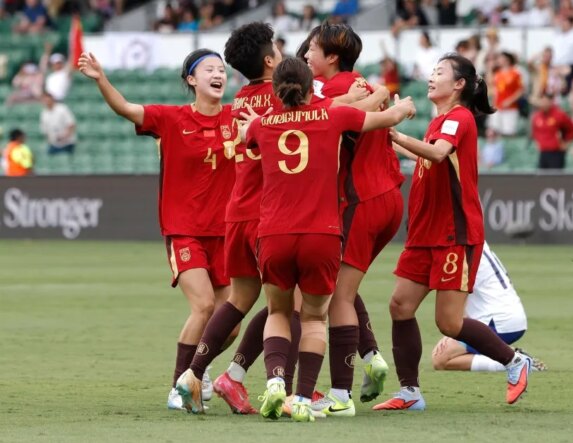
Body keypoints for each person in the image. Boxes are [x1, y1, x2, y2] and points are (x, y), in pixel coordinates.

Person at [250, 57, 415, 422]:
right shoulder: (331, 116)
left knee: (278, 312)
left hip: (274, 232)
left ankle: (276, 383)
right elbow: (382, 119)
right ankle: (305, 399)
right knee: (313, 319)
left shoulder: (262, 124)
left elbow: (250, 140)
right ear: (312, 89)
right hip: (321, 234)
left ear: (276, 92)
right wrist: (401, 106)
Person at [78, 48, 238, 410]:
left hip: (227, 233)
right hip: (184, 230)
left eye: (222, 69)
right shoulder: (170, 118)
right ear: (191, 80)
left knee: (229, 326)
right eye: (209, 69)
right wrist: (102, 78)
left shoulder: (238, 117)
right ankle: (178, 386)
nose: (218, 74)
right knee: (204, 306)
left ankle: (201, 366)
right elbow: (125, 108)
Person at [374, 54, 536, 412]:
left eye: (439, 72)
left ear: (459, 84)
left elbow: (435, 153)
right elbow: (425, 156)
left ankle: (514, 362)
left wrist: (394, 130)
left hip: (453, 234)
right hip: (424, 234)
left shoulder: (459, 118)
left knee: (448, 322)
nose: (431, 77)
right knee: (400, 306)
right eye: (431, 71)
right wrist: (385, 134)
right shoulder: (440, 121)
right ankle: (410, 392)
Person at [174, 22, 285, 416]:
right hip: (270, 217)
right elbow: (328, 115)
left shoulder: (239, 103)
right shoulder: (284, 98)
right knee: (291, 307)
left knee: (239, 301)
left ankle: (192, 375)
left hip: (236, 215)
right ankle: (284, 388)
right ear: (270, 59)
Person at [302, 23, 406, 418]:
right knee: (343, 281)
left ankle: (340, 395)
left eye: (312, 49)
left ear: (331, 57)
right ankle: (372, 355)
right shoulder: (363, 83)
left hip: (359, 200)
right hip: (390, 199)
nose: (306, 55)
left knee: (336, 297)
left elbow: (323, 116)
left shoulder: (331, 90)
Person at [431, 241, 546, 373]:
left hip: (496, 321)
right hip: (507, 316)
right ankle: (513, 356)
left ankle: (517, 362)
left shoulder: (458, 245)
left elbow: (457, 290)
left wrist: (454, 331)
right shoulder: (473, 241)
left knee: (441, 359)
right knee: (442, 355)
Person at [531, 92, 573, 170]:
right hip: (543, 152)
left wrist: (566, 143)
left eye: (546, 101)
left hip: (556, 152)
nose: (543, 104)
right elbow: (535, 132)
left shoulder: (559, 115)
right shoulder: (537, 116)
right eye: (542, 101)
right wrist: (537, 142)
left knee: (555, 179)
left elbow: (572, 129)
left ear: (551, 102)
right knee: (542, 179)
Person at [488, 52, 524, 137]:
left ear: (507, 60)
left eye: (501, 58)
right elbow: (491, 84)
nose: (499, 60)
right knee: (494, 131)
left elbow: (521, 90)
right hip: (497, 107)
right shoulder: (497, 73)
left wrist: (510, 100)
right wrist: (490, 68)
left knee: (509, 132)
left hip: (510, 108)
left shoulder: (515, 73)